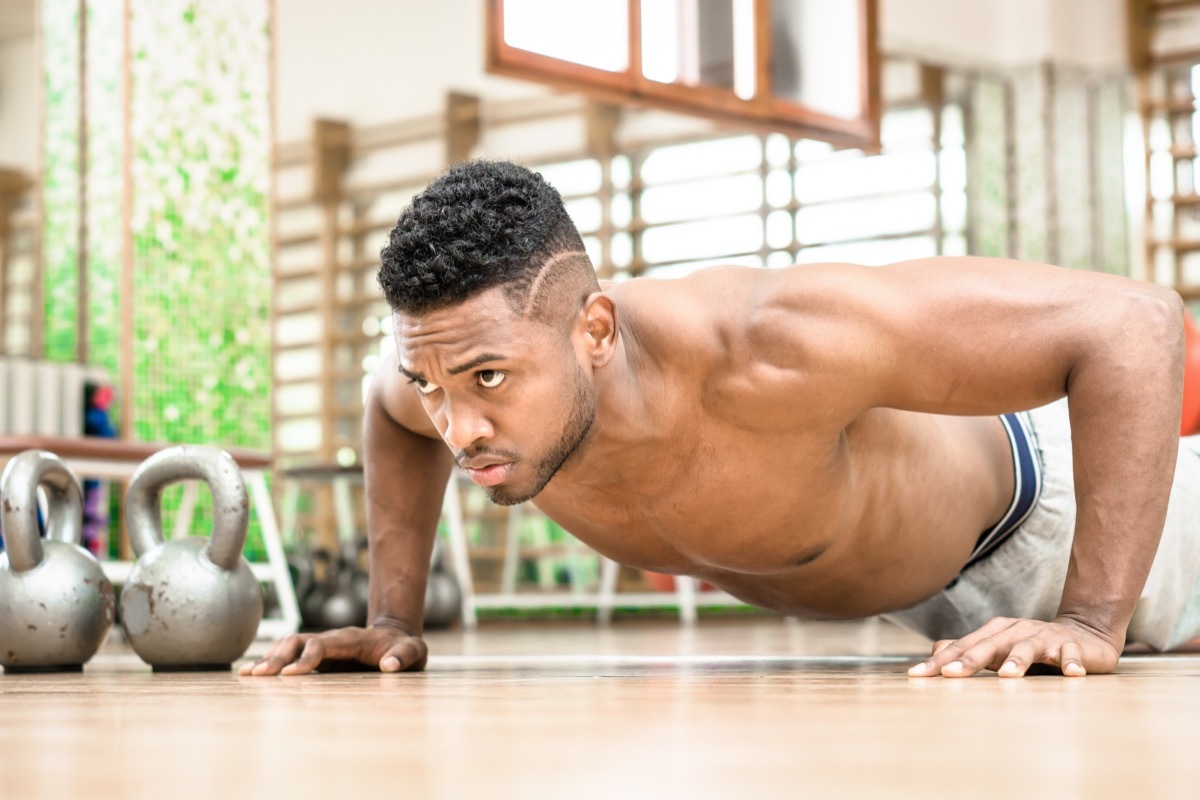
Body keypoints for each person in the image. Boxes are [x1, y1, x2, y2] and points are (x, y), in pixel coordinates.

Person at [243, 159, 1200, 680]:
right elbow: (390, 411)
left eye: (489, 378)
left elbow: (1135, 325)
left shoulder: (775, 344)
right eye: (434, 384)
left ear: (597, 330)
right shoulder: (448, 377)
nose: (459, 426)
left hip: (1075, 520)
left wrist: (1088, 616)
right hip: (939, 611)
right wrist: (390, 618)